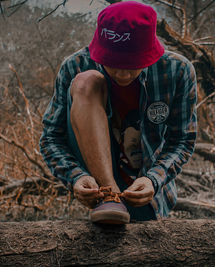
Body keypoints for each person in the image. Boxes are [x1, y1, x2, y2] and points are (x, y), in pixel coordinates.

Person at [40, 1, 197, 224]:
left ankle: (126, 200)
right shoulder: (75, 66)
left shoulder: (177, 71)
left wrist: (153, 180)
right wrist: (76, 177)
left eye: (133, 64)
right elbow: (51, 138)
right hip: (98, 191)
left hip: (147, 196)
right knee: (86, 81)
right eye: (113, 63)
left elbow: (182, 139)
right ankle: (109, 195)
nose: (123, 74)